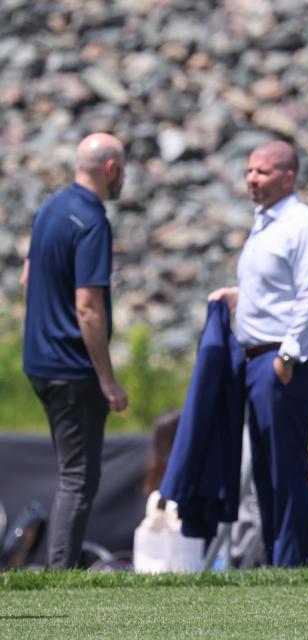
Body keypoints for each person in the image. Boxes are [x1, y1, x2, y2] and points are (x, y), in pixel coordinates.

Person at [208, 140, 308, 567]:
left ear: (287, 176)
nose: (251, 179)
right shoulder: (264, 223)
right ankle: (274, 557)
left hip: (283, 361)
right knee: (263, 469)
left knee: (286, 467)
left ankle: (293, 561)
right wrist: (237, 297)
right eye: (249, 171)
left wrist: (288, 358)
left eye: (262, 172)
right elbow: (277, 292)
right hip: (256, 359)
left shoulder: (305, 226)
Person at [20, 132, 129, 569]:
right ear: (110, 170)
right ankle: (59, 574)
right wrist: (106, 379)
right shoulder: (92, 221)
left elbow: (29, 278)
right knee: (79, 477)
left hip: (39, 361)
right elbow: (88, 307)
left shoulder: (51, 208)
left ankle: (57, 567)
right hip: (72, 368)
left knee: (72, 470)